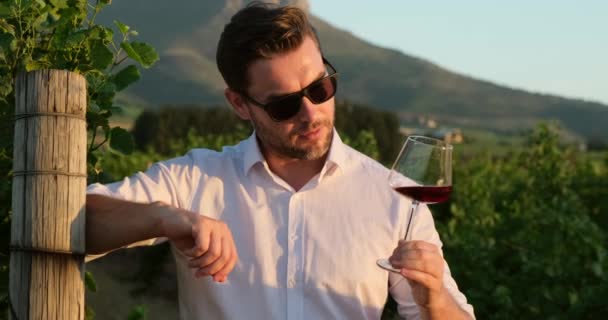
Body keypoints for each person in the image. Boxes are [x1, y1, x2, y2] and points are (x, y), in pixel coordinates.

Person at [85, 2, 475, 319]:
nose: (310, 114)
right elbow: (71, 222)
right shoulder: (196, 179)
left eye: (320, 88)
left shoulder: (392, 197)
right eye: (285, 104)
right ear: (239, 103)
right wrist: (164, 217)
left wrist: (433, 300)